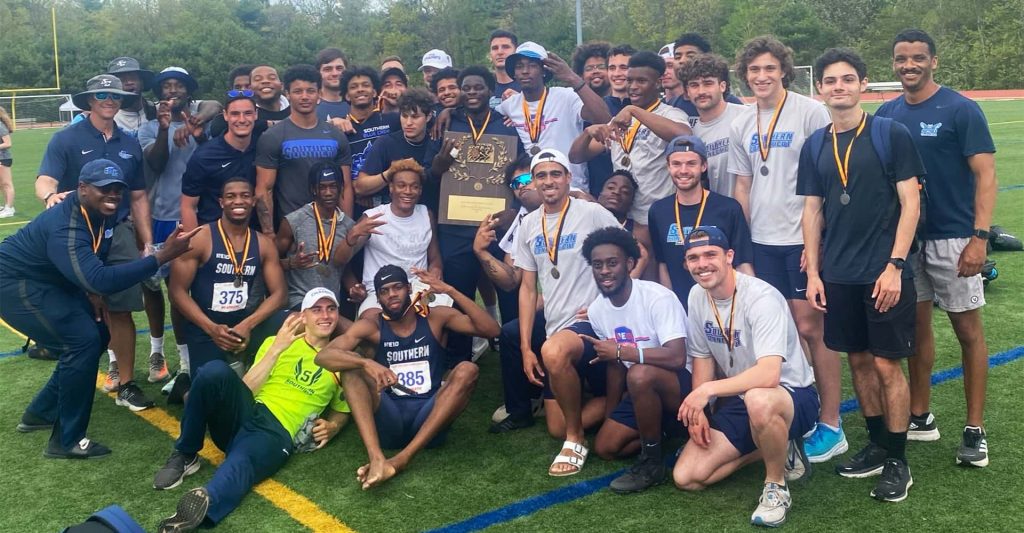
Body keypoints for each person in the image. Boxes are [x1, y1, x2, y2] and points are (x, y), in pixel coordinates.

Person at [4, 159, 198, 458]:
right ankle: (66, 440)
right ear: (82, 188)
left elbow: (95, 264)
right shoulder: (66, 224)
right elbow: (99, 277)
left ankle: (40, 413)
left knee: (95, 333)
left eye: (118, 189)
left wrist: (91, 290)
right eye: (104, 189)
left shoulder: (101, 213)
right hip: (15, 283)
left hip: (49, 280)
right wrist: (160, 257)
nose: (113, 195)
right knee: (81, 341)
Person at [799, 47, 924, 500]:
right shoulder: (816, 143)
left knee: (888, 364)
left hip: (883, 273)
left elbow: (911, 203)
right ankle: (875, 445)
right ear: (820, 88)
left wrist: (895, 267)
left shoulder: (890, 134)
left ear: (863, 85)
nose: (839, 87)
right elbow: (812, 211)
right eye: (831, 80)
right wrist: (814, 272)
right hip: (838, 275)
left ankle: (898, 460)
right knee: (857, 361)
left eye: (848, 79)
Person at [876, 29, 997, 467]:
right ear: (893, 63)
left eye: (918, 58)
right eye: (901, 58)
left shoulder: (960, 109)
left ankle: (974, 428)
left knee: (968, 333)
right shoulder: (887, 114)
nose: (909, 65)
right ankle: (921, 416)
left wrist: (979, 238)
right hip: (907, 242)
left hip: (954, 237)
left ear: (934, 61)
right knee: (917, 331)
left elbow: (985, 175)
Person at [727, 36, 842, 454]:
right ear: (745, 75)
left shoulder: (810, 112)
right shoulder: (742, 119)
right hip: (761, 242)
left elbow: (826, 181)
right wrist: (742, 246)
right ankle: (799, 414)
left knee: (813, 328)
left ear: (784, 72)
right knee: (784, 332)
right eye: (754, 70)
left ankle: (831, 422)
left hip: (799, 239)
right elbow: (744, 184)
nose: (762, 76)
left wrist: (818, 241)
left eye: (769, 69)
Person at [153, 288, 350, 532]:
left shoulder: (342, 363)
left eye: (331, 309)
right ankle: (186, 453)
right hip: (248, 411)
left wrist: (333, 426)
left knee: (241, 461)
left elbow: (344, 409)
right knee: (213, 370)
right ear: (303, 316)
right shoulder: (276, 342)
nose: (325, 315)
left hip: (276, 431)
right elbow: (247, 388)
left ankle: (197, 509)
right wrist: (277, 348)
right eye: (317, 309)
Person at [672, 227, 818, 528]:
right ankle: (780, 445)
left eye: (710, 255)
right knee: (687, 477)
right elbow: (701, 358)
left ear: (729, 256)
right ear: (686, 263)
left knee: (759, 399)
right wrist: (699, 409)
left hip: (790, 395)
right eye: (693, 258)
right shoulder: (697, 296)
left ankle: (775, 486)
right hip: (744, 396)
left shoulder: (761, 297)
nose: (702, 264)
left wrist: (707, 390)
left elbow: (769, 373)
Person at [314, 265, 500, 490]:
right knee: (350, 369)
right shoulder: (372, 326)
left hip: (430, 417)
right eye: (384, 291)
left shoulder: (435, 318)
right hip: (389, 417)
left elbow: (491, 330)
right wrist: (365, 362)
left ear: (409, 289)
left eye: (397, 287)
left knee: (467, 369)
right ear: (379, 298)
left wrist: (450, 290)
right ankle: (376, 458)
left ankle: (402, 459)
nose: (391, 294)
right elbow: (323, 357)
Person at [36, 74, 157, 410]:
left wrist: (147, 243)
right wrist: (49, 197)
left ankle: (128, 383)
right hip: (76, 231)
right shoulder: (66, 138)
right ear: (89, 100)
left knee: (120, 309)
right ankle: (63, 388)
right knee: (76, 309)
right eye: (102, 94)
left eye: (115, 95)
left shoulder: (130, 142)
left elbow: (139, 196)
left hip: (117, 233)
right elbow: (45, 178)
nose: (109, 100)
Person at [513, 149, 621, 475]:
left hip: (591, 324)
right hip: (555, 327)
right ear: (534, 182)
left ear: (568, 178)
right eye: (542, 175)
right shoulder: (529, 225)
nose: (549, 181)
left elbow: (633, 253)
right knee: (556, 425)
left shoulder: (591, 213)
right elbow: (527, 288)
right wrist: (524, 348)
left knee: (555, 353)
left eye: (556, 174)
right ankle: (623, 399)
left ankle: (576, 440)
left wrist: (610, 299)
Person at [580, 227, 690, 493]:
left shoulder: (657, 297)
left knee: (640, 374)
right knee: (606, 447)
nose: (604, 271)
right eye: (597, 265)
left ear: (629, 264)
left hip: (685, 386)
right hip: (641, 389)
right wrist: (610, 416)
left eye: (612, 263)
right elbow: (616, 367)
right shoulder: (597, 310)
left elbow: (677, 357)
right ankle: (662, 430)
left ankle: (652, 464)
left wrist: (623, 352)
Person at [427, 66, 522, 364]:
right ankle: (458, 365)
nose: (470, 92)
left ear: (489, 90)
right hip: (455, 228)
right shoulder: (445, 123)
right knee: (458, 296)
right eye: (465, 87)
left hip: (497, 227)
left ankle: (515, 360)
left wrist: (515, 211)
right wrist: (440, 164)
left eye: (477, 87)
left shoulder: (506, 125)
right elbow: (430, 177)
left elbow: (520, 173)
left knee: (511, 298)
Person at [168, 177, 287, 381]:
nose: (238, 201)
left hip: (246, 325)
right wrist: (211, 328)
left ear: (253, 201)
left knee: (292, 320)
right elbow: (176, 292)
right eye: (231, 196)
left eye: (245, 196)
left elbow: (280, 294)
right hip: (206, 329)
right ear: (221, 202)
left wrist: (248, 325)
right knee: (213, 382)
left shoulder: (263, 243)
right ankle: (186, 386)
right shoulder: (201, 238)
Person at [137, 66, 208, 395]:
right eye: (166, 86)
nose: (172, 90)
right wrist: (166, 129)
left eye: (178, 85)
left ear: (188, 91)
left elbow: (216, 109)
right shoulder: (149, 127)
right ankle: (155, 352)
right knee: (152, 288)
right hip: (159, 217)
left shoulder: (200, 118)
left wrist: (198, 128)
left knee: (181, 291)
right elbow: (155, 163)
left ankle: (186, 364)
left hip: (193, 217)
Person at [569, 51, 690, 225]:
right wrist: (587, 134)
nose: (633, 86)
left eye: (641, 81)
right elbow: (576, 156)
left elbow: (684, 137)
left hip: (659, 214)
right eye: (630, 80)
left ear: (657, 83)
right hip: (624, 217)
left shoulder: (670, 114)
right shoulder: (620, 119)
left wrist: (634, 111)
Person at [474, 155, 545, 432]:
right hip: (545, 305)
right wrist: (480, 252)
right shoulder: (522, 221)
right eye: (516, 183)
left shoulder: (577, 205)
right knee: (512, 332)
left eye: (529, 178)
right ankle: (523, 407)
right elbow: (509, 280)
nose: (523, 186)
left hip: (581, 305)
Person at [648, 136, 752, 308]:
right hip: (682, 305)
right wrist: (671, 306)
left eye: (691, 163)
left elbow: (743, 263)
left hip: (725, 303)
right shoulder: (658, 211)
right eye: (676, 164)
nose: (683, 170)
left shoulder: (728, 208)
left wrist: (748, 304)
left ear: (703, 166)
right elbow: (663, 264)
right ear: (668, 166)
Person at [498, 41, 612, 191]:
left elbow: (604, 119)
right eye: (519, 66)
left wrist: (572, 78)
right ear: (514, 73)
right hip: (533, 192)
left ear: (544, 71)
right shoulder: (508, 106)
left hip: (573, 190)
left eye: (532, 65)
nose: (525, 71)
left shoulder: (567, 97)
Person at [338, 158, 443, 318]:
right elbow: (341, 260)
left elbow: (435, 258)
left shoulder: (426, 214)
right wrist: (353, 234)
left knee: (440, 316)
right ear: (391, 188)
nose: (408, 191)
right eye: (401, 185)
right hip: (381, 292)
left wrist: (435, 271)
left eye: (414, 187)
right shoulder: (373, 217)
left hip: (418, 289)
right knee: (370, 323)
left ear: (420, 190)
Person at [255, 64, 354, 233]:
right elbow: (264, 189)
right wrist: (269, 233)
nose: (305, 96)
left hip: (331, 229)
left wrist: (347, 228)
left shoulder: (335, 135)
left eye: (310, 91)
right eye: (298, 91)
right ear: (287, 94)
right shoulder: (273, 136)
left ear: (319, 95)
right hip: (291, 230)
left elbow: (345, 187)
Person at [277, 162, 358, 310]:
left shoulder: (349, 226)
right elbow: (268, 264)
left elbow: (344, 269)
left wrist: (355, 289)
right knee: (350, 332)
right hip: (299, 301)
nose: (328, 192)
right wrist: (291, 263)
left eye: (333, 186)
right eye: (322, 187)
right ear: (313, 189)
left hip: (331, 303)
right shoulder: (294, 221)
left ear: (341, 187)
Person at [181, 92, 259, 231]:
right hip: (213, 236)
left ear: (256, 114)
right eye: (235, 114)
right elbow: (188, 206)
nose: (242, 119)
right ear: (225, 115)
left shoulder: (264, 147)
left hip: (255, 235)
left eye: (247, 113)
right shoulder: (204, 156)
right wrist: (193, 246)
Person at [354, 88, 438, 209]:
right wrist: (392, 171)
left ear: (429, 116)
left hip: (428, 216)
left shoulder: (436, 142)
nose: (408, 122)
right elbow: (360, 187)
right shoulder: (386, 143)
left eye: (415, 117)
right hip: (393, 218)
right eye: (404, 116)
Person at [677, 54, 747, 197]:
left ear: (722, 86)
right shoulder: (691, 136)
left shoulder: (746, 117)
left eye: (708, 83)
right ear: (687, 92)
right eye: (694, 85)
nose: (701, 91)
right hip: (719, 215)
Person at [334, 67, 402, 190]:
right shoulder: (340, 128)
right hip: (357, 202)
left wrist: (447, 112)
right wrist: (330, 122)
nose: (360, 89)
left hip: (391, 201)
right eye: (354, 87)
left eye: (365, 85)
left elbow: (422, 117)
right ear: (347, 96)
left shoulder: (394, 120)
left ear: (375, 92)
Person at [669, 34, 745, 119]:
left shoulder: (731, 104)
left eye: (690, 56)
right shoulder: (672, 105)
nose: (682, 60)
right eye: (677, 57)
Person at [594, 170, 653, 278]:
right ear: (599, 194)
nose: (616, 192)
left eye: (625, 192)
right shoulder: (586, 224)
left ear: (631, 203)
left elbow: (650, 278)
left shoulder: (641, 233)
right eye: (611, 188)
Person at [209, 65, 291, 139]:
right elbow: (217, 127)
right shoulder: (238, 115)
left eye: (272, 78)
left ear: (282, 85)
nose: (243, 91)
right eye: (238, 88)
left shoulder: (296, 108)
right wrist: (270, 124)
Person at [106, 56, 157, 138]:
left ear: (142, 83)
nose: (129, 82)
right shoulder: (107, 118)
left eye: (133, 78)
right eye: (122, 80)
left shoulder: (158, 111)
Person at [316, 48, 351, 121]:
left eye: (339, 68)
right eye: (328, 69)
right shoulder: (310, 106)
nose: (335, 73)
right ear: (318, 73)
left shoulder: (357, 103)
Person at [489, 29, 520, 107]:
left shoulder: (528, 85)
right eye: (495, 48)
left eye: (505, 47)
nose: (500, 52)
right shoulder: (483, 87)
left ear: (516, 51)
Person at [605, 45, 636, 115]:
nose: (617, 74)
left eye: (624, 68)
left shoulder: (647, 108)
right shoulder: (597, 107)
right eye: (612, 68)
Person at [0, 106, 14, 217]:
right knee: (1, 184)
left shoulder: (0, 125)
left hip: (3, 158)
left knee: (6, 183)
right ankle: (6, 206)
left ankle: (9, 208)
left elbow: (8, 143)